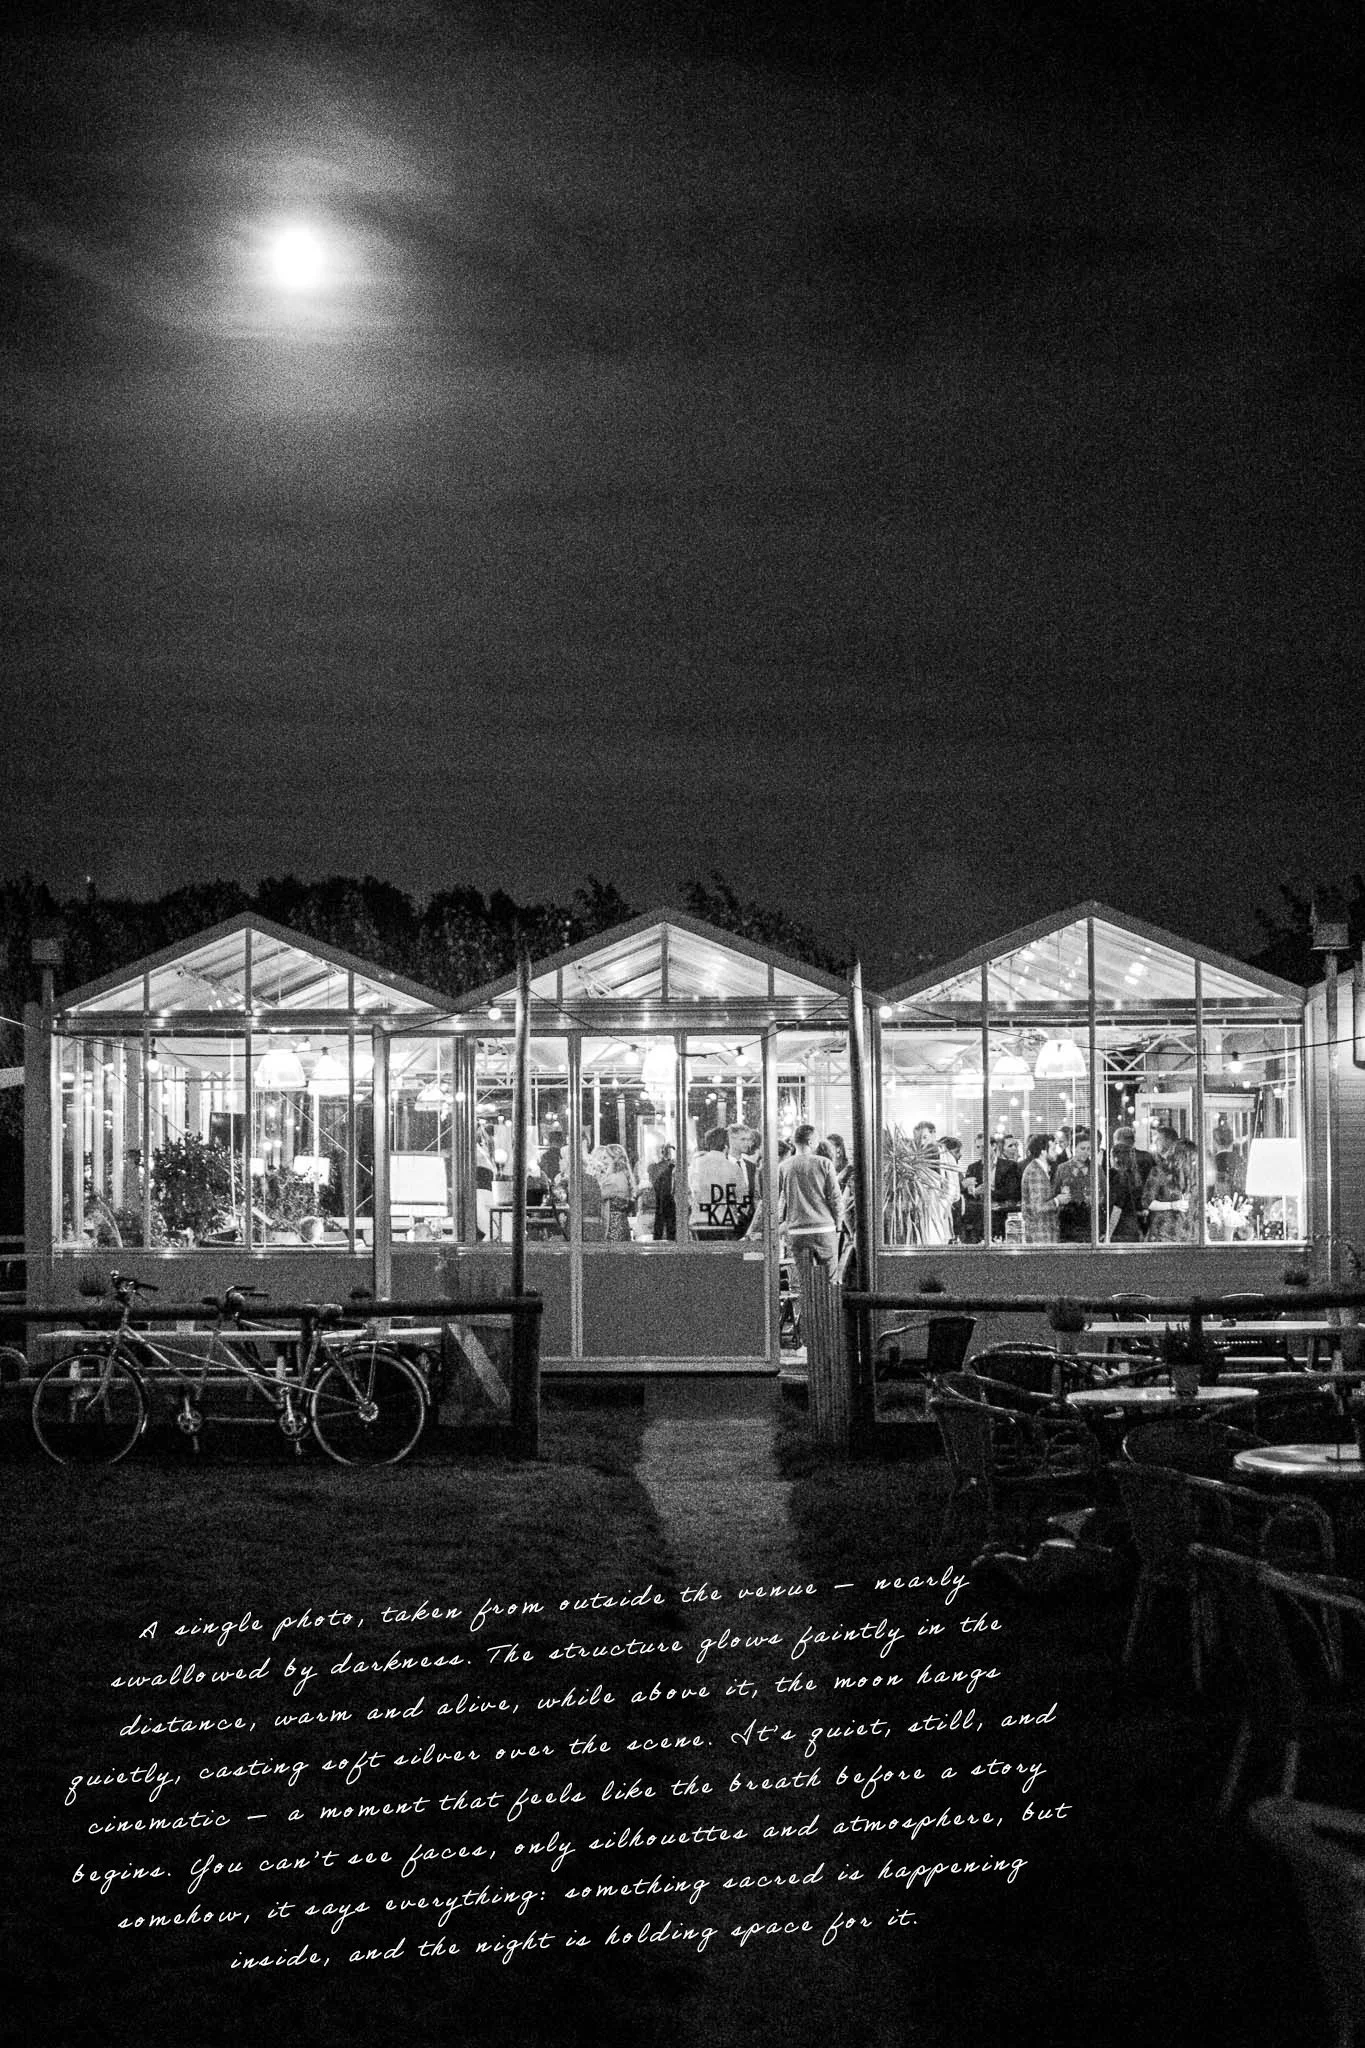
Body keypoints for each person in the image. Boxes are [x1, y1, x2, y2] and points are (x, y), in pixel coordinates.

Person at [778, 1124, 846, 1285]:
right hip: (824, 1228)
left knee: (804, 1281)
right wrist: (838, 1225)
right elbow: (835, 1198)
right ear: (810, 1142)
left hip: (797, 1231)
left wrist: (781, 1224)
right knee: (830, 1281)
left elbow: (781, 1201)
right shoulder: (824, 1163)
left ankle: (808, 1309)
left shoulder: (784, 1167)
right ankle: (827, 1309)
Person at [689, 1127, 749, 1232]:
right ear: (726, 1147)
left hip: (699, 1221)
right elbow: (742, 1200)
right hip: (725, 1221)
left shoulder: (696, 1164)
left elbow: (689, 1191)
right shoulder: (734, 1168)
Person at [1141, 1127, 1192, 1242]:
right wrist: (1172, 1205)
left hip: (1183, 1233)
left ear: (1167, 1141)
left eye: (1157, 1139)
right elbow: (1147, 1201)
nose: (1154, 1143)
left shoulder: (1187, 1172)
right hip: (1163, 1233)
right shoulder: (1159, 1170)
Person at [1021, 1133, 1067, 1243]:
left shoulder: (1040, 1170)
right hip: (1040, 1236)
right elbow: (1038, 1207)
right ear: (1043, 1151)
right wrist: (1058, 1200)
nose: (1056, 1151)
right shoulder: (1035, 1172)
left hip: (1044, 1234)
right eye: (1053, 1148)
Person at [1051, 1128, 1094, 1243]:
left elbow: (1104, 1193)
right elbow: (1055, 1192)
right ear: (1073, 1148)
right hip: (1067, 1219)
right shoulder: (1063, 1168)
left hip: (1089, 1218)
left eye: (1089, 1149)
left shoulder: (1096, 1169)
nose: (1086, 1152)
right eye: (1082, 1148)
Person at [589, 1142, 637, 1242]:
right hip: (621, 1224)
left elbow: (594, 1196)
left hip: (613, 1227)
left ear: (614, 1159)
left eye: (605, 1158)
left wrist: (591, 1174)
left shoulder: (613, 1179)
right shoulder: (622, 1175)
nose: (602, 1161)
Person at [651, 1142, 677, 1241]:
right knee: (666, 1224)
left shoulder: (657, 1167)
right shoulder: (657, 1167)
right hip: (664, 1197)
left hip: (665, 1197)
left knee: (664, 1223)